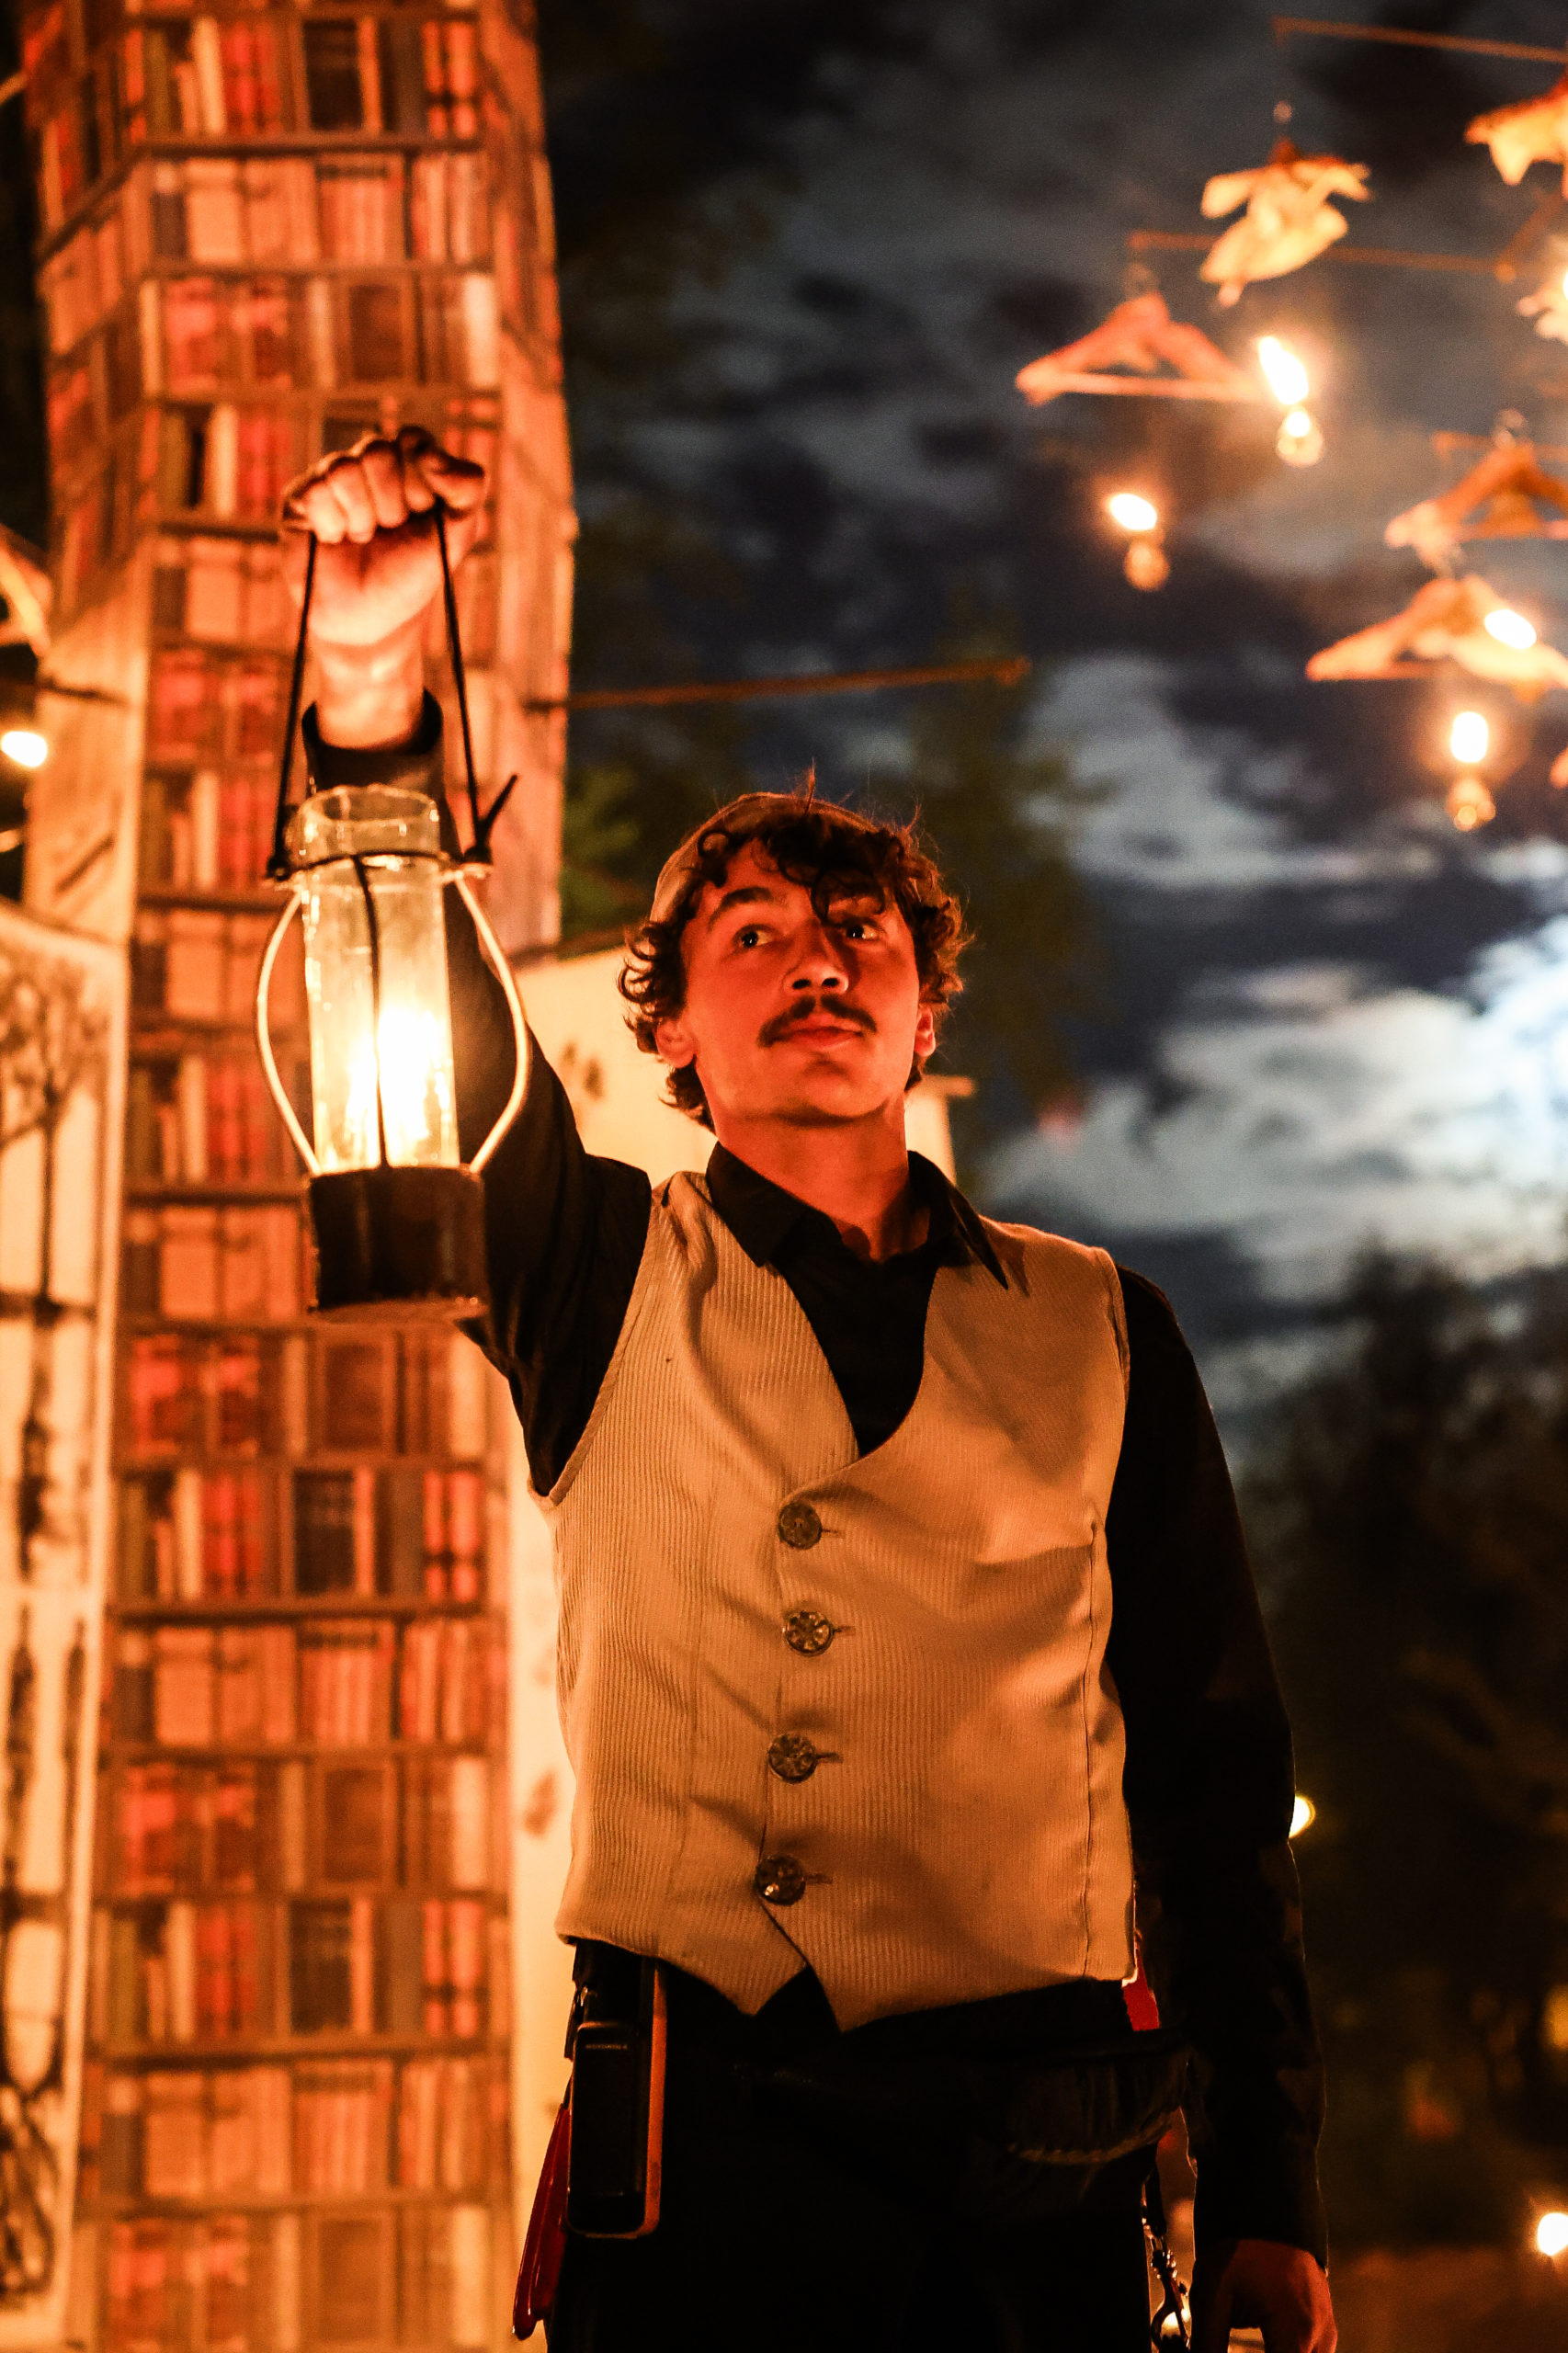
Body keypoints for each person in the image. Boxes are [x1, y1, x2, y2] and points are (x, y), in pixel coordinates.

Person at [281, 428, 1338, 2353]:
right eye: (751, 935)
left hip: (1037, 2165)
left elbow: (1210, 1772)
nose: (818, 961)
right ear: (674, 1033)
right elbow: (418, 1008)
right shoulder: (588, 1264)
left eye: (861, 933)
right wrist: (368, 685)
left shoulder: (1106, 1324)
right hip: (705, 2149)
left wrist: (1269, 2186)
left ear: (926, 1015)